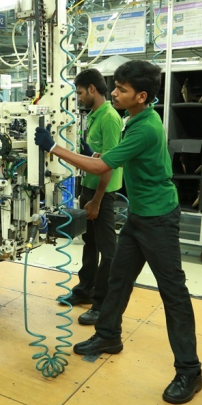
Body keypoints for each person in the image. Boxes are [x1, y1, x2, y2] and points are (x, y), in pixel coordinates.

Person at [34, 60, 202, 405]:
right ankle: (108, 335)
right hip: (139, 216)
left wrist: (53, 147)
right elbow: (112, 157)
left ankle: (190, 370)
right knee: (118, 278)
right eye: (115, 87)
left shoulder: (145, 128)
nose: (113, 93)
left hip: (158, 219)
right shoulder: (135, 117)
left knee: (174, 294)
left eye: (121, 90)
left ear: (141, 95)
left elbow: (100, 167)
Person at [58, 69, 123, 327]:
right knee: (90, 243)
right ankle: (85, 290)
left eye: (81, 92)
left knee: (108, 251)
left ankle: (102, 304)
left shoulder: (109, 118)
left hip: (102, 194)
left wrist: (96, 199)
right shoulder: (95, 115)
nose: (79, 97)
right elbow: (95, 156)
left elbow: (109, 164)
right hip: (89, 188)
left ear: (93, 89)